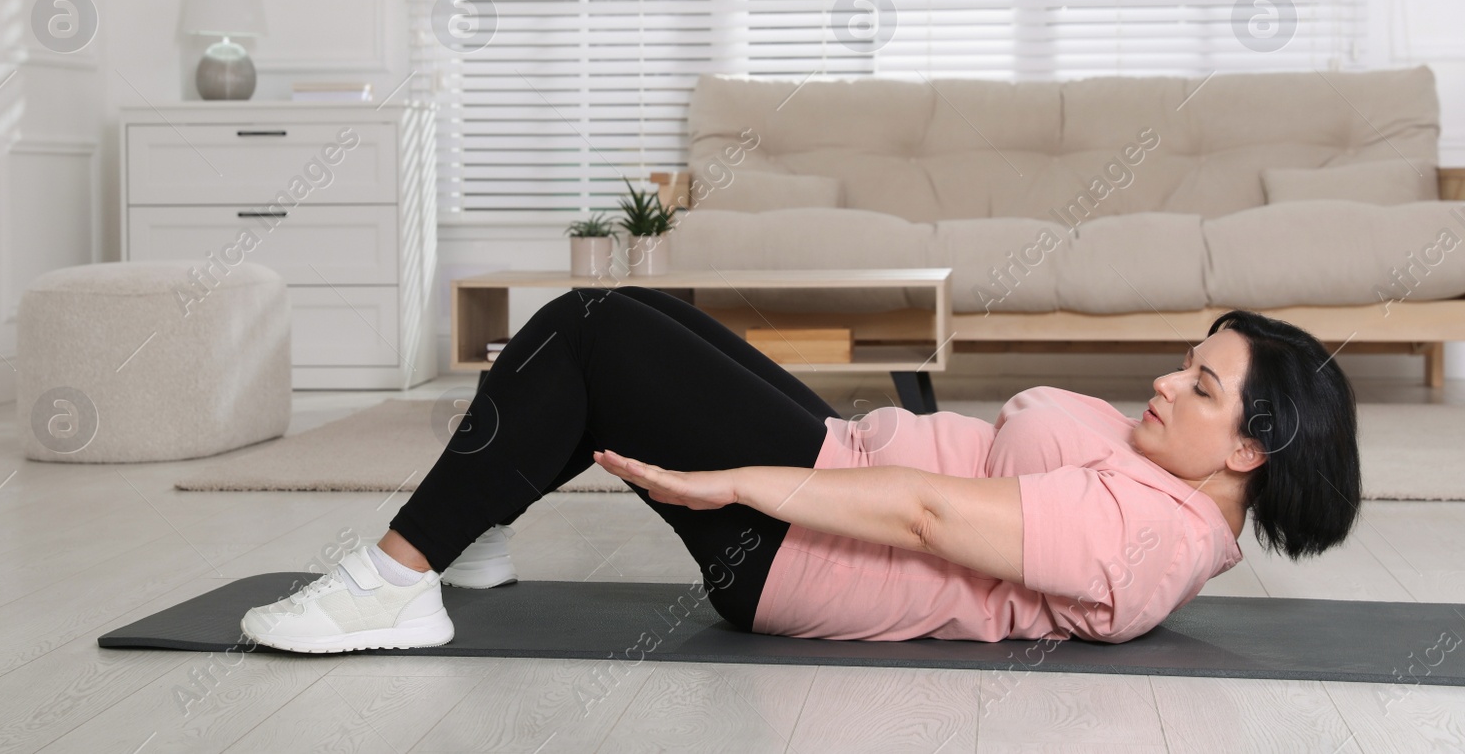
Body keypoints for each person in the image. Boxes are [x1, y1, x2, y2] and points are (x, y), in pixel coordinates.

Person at [240, 285, 1361, 652]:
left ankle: (393, 582)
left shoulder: (1144, 538)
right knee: (639, 310)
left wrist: (739, 484)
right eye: (1184, 366)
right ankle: (474, 518)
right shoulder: (1174, 487)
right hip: (841, 463)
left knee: (591, 334)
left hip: (795, 556)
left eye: (1199, 388)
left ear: (1252, 448)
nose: (1166, 385)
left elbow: (928, 517)